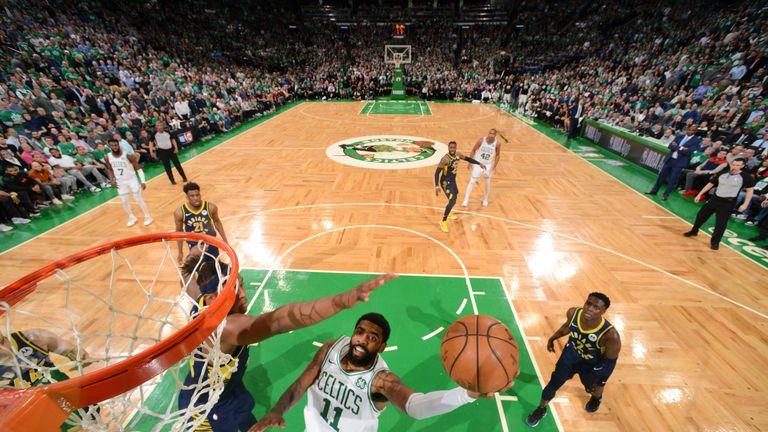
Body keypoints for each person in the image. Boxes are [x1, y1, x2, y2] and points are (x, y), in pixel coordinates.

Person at [177, 268, 398, 432]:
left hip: (230, 394)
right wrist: (340, 301)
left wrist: (189, 270)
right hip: (206, 411)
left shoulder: (203, 304)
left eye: (242, 284)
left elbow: (192, 286)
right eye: (235, 288)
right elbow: (280, 321)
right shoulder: (229, 327)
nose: (243, 294)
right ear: (215, 298)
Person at [251, 313, 507, 432]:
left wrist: (467, 394)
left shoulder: (381, 380)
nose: (362, 340)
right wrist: (277, 411)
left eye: (372, 338)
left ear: (382, 346)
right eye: (359, 332)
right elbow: (299, 385)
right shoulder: (331, 348)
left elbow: (416, 406)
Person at [526, 293, 621, 427]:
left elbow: (610, 362)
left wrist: (601, 380)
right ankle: (541, 409)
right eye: (588, 303)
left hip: (592, 365)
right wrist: (553, 338)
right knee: (553, 383)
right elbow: (567, 327)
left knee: (592, 389)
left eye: (596, 307)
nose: (589, 308)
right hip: (570, 357)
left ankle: (596, 398)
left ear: (603, 311)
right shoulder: (573, 313)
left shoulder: (610, 335)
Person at [683, 158, 754, 250]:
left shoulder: (746, 177)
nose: (735, 166)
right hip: (715, 199)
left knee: (721, 223)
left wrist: (745, 204)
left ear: (742, 166)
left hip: (728, 203)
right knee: (701, 215)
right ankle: (694, 231)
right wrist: (700, 194)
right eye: (733, 164)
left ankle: (715, 242)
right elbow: (710, 184)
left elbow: (750, 191)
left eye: (738, 165)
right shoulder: (723, 173)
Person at [434, 141, 486, 233]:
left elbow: (468, 159)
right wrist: (437, 186)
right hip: (445, 182)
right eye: (451, 148)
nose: (452, 149)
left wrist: (479, 163)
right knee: (453, 200)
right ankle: (443, 221)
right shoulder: (445, 159)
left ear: (456, 148)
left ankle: (448, 211)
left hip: (452, 181)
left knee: (455, 195)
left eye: (454, 147)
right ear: (448, 148)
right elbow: (437, 173)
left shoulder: (458, 155)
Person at [174, 182, 227, 265]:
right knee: (198, 269)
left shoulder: (210, 207)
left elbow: (217, 222)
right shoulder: (180, 212)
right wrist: (180, 251)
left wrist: (225, 241)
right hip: (194, 244)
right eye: (192, 196)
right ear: (187, 197)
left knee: (215, 266)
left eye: (197, 195)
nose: (196, 198)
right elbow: (179, 232)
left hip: (211, 242)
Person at [104, 138, 152, 227]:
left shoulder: (128, 155)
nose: (114, 147)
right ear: (109, 146)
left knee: (138, 199)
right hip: (121, 182)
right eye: (112, 145)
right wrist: (112, 180)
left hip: (132, 180)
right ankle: (131, 217)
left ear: (118, 145)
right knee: (124, 201)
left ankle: (147, 216)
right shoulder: (107, 157)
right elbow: (110, 169)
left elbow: (138, 168)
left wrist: (143, 181)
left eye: (115, 145)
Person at [646, 125, 701, 200]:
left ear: (695, 132)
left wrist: (677, 147)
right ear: (687, 129)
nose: (691, 131)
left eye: (693, 130)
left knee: (672, 179)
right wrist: (681, 148)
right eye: (690, 129)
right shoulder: (680, 136)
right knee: (661, 176)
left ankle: (666, 195)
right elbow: (670, 146)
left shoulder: (696, 140)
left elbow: (689, 152)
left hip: (680, 162)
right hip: (670, 159)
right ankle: (654, 190)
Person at [461, 129, 501, 207]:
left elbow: (498, 155)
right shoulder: (481, 140)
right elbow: (473, 150)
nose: (491, 135)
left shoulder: (497, 144)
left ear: (495, 135)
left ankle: (485, 199)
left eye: (493, 134)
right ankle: (466, 199)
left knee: (487, 183)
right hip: (478, 164)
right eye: (490, 133)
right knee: (472, 181)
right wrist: (470, 162)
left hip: (488, 165)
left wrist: (495, 166)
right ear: (488, 133)